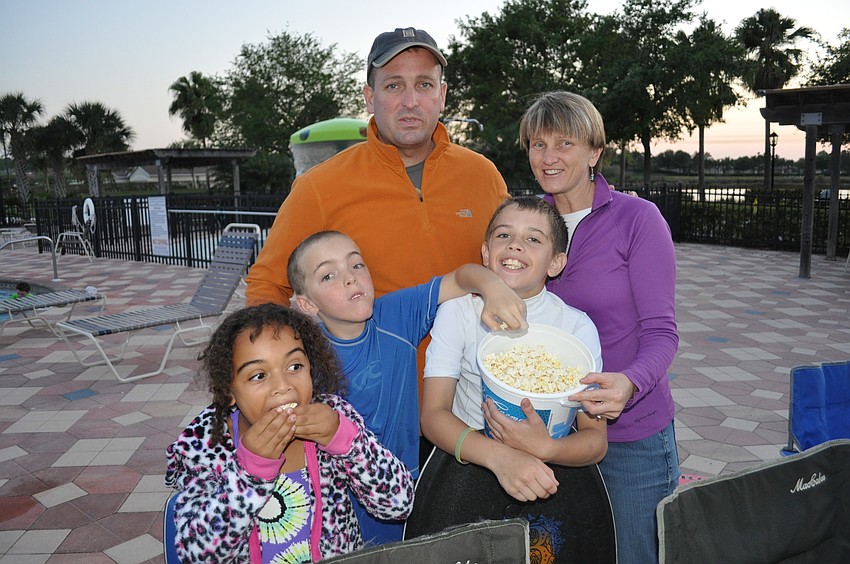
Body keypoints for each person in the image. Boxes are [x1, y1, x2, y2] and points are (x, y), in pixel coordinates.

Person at [518, 91, 680, 563]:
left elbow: (662, 331)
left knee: (634, 555)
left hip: (632, 435)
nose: (549, 157)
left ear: (594, 152)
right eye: (538, 144)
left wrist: (630, 382)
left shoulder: (637, 219)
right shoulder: (527, 221)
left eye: (564, 143)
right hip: (552, 431)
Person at [287, 229, 526, 544]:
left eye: (356, 265)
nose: (349, 279)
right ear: (306, 303)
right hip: (334, 504)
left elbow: (460, 278)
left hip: (403, 492)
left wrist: (492, 286)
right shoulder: (300, 360)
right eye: (328, 275)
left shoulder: (396, 316)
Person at [244, 27, 509, 307]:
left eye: (424, 85)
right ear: (370, 98)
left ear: (441, 95)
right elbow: (267, 285)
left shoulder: (483, 175)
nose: (410, 102)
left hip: (478, 351)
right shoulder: (319, 187)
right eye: (393, 86)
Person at [164, 303, 414, 563]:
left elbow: (399, 504)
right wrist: (249, 473)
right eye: (258, 375)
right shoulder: (207, 444)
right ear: (228, 392)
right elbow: (197, 554)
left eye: (294, 367)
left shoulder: (334, 418)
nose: (283, 386)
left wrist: (345, 440)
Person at [420, 196, 606, 501]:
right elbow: (433, 416)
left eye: (533, 239)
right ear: (486, 251)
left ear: (556, 262)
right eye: (504, 235)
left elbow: (595, 440)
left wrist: (547, 448)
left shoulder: (576, 328)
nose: (515, 245)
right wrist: (501, 458)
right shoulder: (459, 311)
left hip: (550, 475)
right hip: (469, 465)